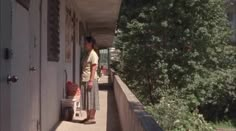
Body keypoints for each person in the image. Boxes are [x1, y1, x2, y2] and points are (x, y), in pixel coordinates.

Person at [80, 36, 99, 124]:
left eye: (86, 43)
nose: (84, 44)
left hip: (90, 79)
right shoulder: (86, 53)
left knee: (91, 99)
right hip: (85, 79)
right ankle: (88, 117)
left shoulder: (93, 54)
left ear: (90, 44)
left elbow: (94, 68)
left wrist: (91, 81)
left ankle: (92, 118)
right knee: (86, 99)